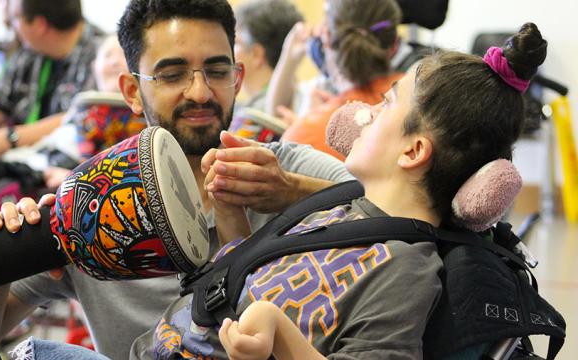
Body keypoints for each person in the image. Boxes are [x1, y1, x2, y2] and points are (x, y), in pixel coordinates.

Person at [0, 1, 352, 359]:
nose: (200, 92)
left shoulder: (288, 168)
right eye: (172, 75)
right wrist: (4, 257)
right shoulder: (93, 205)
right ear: (132, 92)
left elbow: (405, 214)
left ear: (237, 79)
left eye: (216, 70)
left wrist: (294, 191)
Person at [128, 22, 546, 359]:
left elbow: (268, 313)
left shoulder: (406, 272)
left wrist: (278, 330)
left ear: (413, 150)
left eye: (385, 105)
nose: (361, 115)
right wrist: (229, 206)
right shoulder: (338, 208)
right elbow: (244, 284)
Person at [0, 0, 102, 205]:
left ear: (39, 25)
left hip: (63, 172)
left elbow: (75, 119)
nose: (12, 25)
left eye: (15, 18)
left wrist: (4, 139)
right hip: (19, 159)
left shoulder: (103, 56)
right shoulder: (30, 52)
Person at [273, 0, 404, 160]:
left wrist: (310, 124)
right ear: (395, 44)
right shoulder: (427, 99)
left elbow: (275, 113)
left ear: (326, 37)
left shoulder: (302, 139)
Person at [227, 0, 302, 141]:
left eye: (236, 43)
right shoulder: (298, 98)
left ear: (256, 54)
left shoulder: (257, 118)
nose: (227, 50)